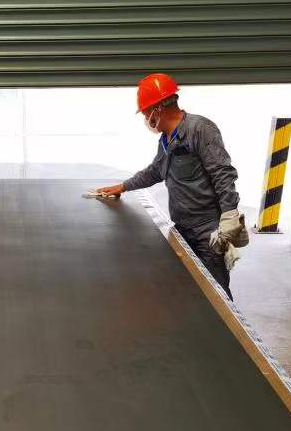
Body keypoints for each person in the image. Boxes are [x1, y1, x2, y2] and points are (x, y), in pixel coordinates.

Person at [92, 73, 249, 297]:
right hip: (182, 227)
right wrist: (123, 186)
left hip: (208, 232)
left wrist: (229, 215)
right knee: (189, 290)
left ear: (157, 109)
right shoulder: (166, 139)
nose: (145, 118)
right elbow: (156, 170)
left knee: (216, 294)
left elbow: (222, 173)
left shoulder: (200, 129)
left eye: (145, 112)